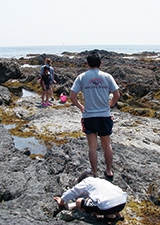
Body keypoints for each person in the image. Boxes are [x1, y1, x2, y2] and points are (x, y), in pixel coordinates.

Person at [70, 51, 120, 179]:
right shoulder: (107, 77)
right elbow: (117, 94)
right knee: (106, 144)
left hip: (89, 116)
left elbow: (72, 96)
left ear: (87, 64)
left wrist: (81, 107)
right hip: (104, 115)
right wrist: (109, 105)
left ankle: (95, 173)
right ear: (100, 63)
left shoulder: (82, 77)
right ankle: (109, 171)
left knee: (92, 146)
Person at [54, 170, 127, 222]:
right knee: (108, 199)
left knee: (79, 202)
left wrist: (61, 201)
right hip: (122, 203)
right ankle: (116, 215)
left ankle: (109, 215)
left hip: (106, 207)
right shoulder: (101, 181)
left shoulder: (86, 182)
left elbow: (72, 192)